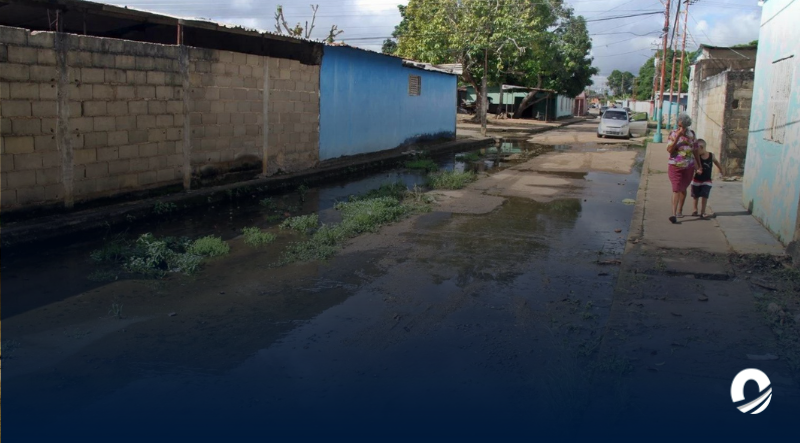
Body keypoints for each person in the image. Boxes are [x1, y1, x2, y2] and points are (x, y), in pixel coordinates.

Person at [666, 113, 703, 224]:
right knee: (676, 188)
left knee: (683, 188)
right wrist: (678, 137)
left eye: (683, 126)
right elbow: (669, 150)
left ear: (687, 125)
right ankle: (673, 214)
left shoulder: (691, 135)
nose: (681, 128)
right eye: (679, 125)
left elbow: (695, 151)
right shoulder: (673, 134)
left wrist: (699, 166)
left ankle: (680, 210)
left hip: (689, 166)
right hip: (674, 166)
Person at [690, 139, 726, 219]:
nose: (695, 151)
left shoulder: (711, 155)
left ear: (702, 147)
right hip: (696, 180)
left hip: (707, 180)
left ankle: (703, 212)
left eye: (697, 149)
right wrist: (696, 170)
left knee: (705, 195)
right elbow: (693, 165)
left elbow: (716, 162)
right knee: (695, 196)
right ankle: (695, 209)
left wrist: (721, 169)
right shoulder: (696, 157)